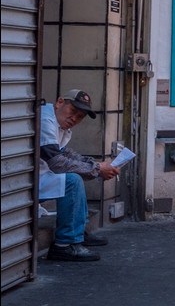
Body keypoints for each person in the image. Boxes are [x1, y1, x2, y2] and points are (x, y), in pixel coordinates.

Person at [39, 89, 117, 261]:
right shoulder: (46, 120)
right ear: (60, 102)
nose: (75, 118)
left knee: (75, 176)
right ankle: (64, 245)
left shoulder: (58, 123)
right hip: (27, 180)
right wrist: (96, 169)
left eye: (80, 116)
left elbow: (65, 153)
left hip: (41, 175)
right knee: (72, 181)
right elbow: (57, 163)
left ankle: (78, 232)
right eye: (73, 111)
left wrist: (95, 166)